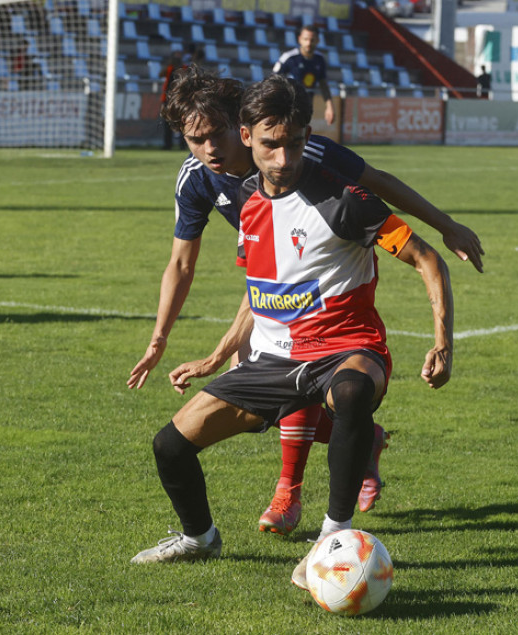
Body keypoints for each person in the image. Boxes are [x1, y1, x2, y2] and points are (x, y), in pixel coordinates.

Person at [131, 76, 454, 594]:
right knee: (170, 445)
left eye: (292, 144)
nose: (282, 158)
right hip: (274, 355)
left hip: (345, 348)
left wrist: (443, 336)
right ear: (250, 137)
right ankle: (199, 537)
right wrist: (217, 355)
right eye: (270, 146)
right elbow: (260, 289)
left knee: (349, 393)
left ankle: (332, 535)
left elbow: (417, 243)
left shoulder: (341, 195)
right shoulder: (244, 202)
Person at [272, 25, 335, 126]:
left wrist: (330, 107)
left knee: (302, 135)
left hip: (307, 105)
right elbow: (272, 81)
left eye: (312, 40)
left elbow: (323, 84)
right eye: (306, 39)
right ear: (299, 39)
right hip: (288, 106)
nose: (309, 43)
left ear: (318, 40)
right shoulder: (289, 58)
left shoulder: (319, 59)